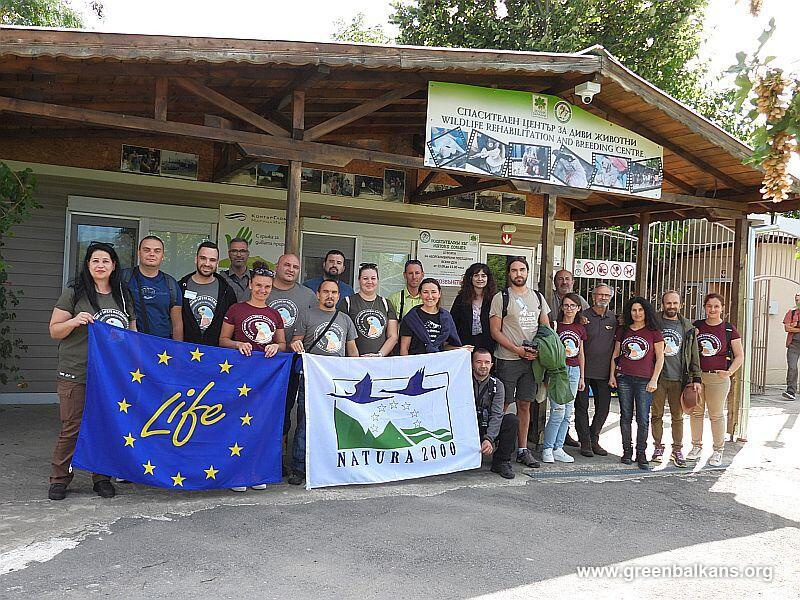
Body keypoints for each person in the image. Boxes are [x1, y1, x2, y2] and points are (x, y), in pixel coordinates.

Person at [47, 242, 137, 501]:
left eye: (105, 261)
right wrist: (75, 321)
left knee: (105, 425)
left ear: (113, 265)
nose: (100, 265)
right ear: (88, 265)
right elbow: (54, 330)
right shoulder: (74, 293)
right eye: (95, 260)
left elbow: (132, 333)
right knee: (72, 427)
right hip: (76, 371)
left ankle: (101, 477)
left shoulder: (122, 295)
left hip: (110, 376)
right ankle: (59, 478)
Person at [220, 263, 287, 492]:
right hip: (240, 376)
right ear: (250, 284)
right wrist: (238, 344)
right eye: (258, 285)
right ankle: (237, 474)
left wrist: (276, 347)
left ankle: (256, 472)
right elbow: (223, 340)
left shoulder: (275, 314)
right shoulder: (236, 309)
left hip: (266, 380)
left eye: (266, 286)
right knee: (237, 423)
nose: (262, 290)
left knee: (260, 424)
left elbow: (282, 343)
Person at [289, 280, 359, 486]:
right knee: (306, 423)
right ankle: (299, 467)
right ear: (318, 294)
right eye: (326, 292)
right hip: (311, 379)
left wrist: (358, 371)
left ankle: (331, 464)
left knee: (335, 422)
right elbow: (296, 341)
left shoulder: (345, 319)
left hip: (336, 381)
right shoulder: (307, 315)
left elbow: (352, 350)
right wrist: (295, 344)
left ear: (338, 296)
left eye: (334, 292)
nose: (330, 295)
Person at [489, 257, 550, 469]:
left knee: (525, 405)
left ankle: (523, 449)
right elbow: (495, 331)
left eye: (522, 269)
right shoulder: (501, 297)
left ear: (527, 272)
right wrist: (517, 350)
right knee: (503, 404)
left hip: (531, 362)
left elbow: (546, 330)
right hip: (508, 359)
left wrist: (538, 351)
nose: (518, 274)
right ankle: (498, 448)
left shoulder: (538, 298)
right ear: (509, 273)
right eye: (514, 270)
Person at [687, 293, 744, 467]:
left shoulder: (728, 329)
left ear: (722, 308)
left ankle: (718, 450)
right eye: (709, 306)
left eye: (716, 306)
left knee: (716, 415)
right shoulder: (697, 326)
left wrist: (729, 372)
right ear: (704, 307)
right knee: (696, 412)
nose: (712, 309)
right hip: (697, 376)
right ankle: (696, 446)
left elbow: (739, 355)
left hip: (718, 378)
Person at [609, 296, 665, 470]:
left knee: (643, 418)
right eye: (634, 310)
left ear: (646, 311)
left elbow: (660, 357)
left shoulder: (654, 331)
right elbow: (615, 354)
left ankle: (641, 453)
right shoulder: (623, 330)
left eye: (640, 310)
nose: (637, 313)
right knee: (625, 416)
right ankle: (627, 451)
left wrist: (654, 379)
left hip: (645, 380)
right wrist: (612, 376)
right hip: (624, 377)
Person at [268, 253, 317, 445]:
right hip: (262, 360)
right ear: (277, 266)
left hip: (292, 361)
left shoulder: (308, 295)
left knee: (286, 407)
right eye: (287, 265)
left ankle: (280, 452)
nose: (291, 270)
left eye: (295, 267)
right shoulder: (263, 288)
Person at [650, 290, 702, 468]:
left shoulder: (688, 327)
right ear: (662, 304)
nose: (671, 306)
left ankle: (677, 449)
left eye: (675, 303)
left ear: (681, 305)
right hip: (657, 377)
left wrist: (696, 378)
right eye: (668, 303)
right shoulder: (653, 322)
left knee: (677, 416)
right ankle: (658, 447)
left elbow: (694, 354)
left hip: (679, 378)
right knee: (656, 414)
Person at [543, 293, 587, 464]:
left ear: (578, 308)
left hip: (574, 371)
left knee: (568, 413)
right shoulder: (555, 326)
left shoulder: (580, 328)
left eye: (573, 306)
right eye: (566, 305)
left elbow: (581, 353)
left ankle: (558, 448)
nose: (569, 309)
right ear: (561, 307)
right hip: (558, 372)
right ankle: (547, 448)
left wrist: (582, 376)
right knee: (558, 411)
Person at [575, 283, 617, 458]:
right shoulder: (582, 316)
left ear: (611, 298)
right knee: (581, 407)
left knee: (603, 408)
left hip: (604, 372)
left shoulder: (614, 319)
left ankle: (594, 438)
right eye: (600, 295)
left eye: (607, 295)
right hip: (583, 371)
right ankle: (585, 442)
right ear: (593, 296)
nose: (603, 298)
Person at [122, 235, 182, 340]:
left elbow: (177, 325)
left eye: (157, 251)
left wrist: (177, 348)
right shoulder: (123, 278)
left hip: (161, 346)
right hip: (130, 343)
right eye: (147, 250)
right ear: (139, 253)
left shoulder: (171, 284)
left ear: (162, 255)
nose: (152, 254)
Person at [178, 241, 237, 347]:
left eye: (212, 260)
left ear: (217, 263)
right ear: (196, 259)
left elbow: (232, 327)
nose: (207, 263)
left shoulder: (227, 291)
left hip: (215, 353)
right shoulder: (180, 287)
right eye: (203, 258)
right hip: (186, 351)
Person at [472, 348, 519, 479]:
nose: (483, 366)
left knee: (511, 420)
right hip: (468, 427)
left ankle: (502, 461)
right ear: (472, 364)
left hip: (487, 425)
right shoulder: (463, 382)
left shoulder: (497, 385)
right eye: (479, 362)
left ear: (491, 365)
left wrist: (489, 438)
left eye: (487, 362)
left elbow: (497, 414)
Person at [342, 263, 398, 356]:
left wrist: (379, 355)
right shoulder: (347, 302)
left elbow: (393, 336)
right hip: (354, 360)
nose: (369, 282)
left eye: (373, 278)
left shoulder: (386, 303)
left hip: (380, 360)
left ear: (378, 280)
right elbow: (344, 334)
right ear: (359, 280)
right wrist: (355, 357)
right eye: (365, 278)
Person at [399, 278, 464, 354]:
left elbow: (446, 346)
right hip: (416, 360)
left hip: (439, 360)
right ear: (420, 294)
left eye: (433, 292)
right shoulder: (411, 318)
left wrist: (462, 349)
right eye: (425, 292)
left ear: (439, 294)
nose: (430, 296)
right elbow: (404, 348)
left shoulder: (446, 317)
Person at [450, 262, 497, 353]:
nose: (480, 279)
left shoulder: (494, 299)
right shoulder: (461, 298)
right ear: (470, 278)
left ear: (488, 278)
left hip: (488, 344)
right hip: (465, 344)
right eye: (476, 275)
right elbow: (453, 322)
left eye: (483, 276)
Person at [219, 237, 252, 303]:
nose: (238, 255)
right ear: (229, 254)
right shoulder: (221, 279)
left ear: (248, 254)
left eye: (242, 251)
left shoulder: (255, 278)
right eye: (234, 251)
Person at [782, 292, 800, 400]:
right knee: (792, 367)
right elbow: (787, 328)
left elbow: (790, 328)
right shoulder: (791, 312)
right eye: (796, 300)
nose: (798, 302)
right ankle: (791, 391)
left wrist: (795, 328)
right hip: (794, 344)